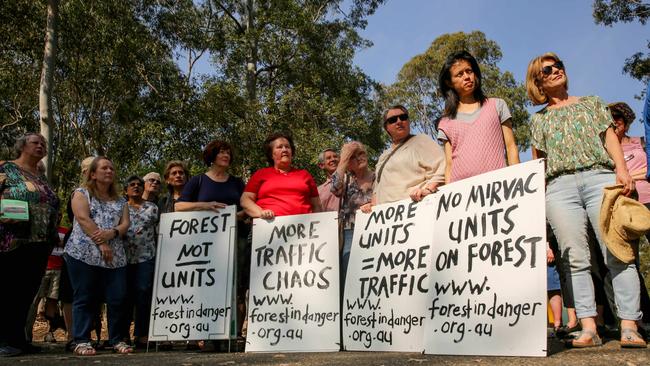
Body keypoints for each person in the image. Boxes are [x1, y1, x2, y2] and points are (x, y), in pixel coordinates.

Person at [526, 52, 644, 348]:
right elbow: (538, 162)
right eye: (547, 70)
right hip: (559, 188)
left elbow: (609, 138)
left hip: (600, 179)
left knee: (616, 250)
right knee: (575, 259)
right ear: (537, 81)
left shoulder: (592, 102)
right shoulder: (538, 120)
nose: (556, 72)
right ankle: (588, 327)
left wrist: (622, 169)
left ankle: (630, 324)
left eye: (558, 66)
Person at [175, 140, 247, 348]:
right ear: (211, 156)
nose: (226, 156)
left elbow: (246, 208)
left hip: (235, 240)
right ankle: (206, 333)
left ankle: (233, 335)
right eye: (221, 152)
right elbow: (178, 206)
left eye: (228, 152)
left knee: (236, 287)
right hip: (205, 244)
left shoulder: (237, 183)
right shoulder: (198, 181)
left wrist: (233, 215)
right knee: (208, 286)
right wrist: (205, 205)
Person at [64, 156, 133, 355]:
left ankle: (116, 339)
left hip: (115, 257)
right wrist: (102, 243)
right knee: (85, 296)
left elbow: (125, 224)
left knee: (117, 297)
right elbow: (83, 219)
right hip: (83, 254)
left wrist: (112, 233)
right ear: (92, 174)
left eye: (112, 168)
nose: (109, 171)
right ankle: (82, 340)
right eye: (104, 168)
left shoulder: (121, 201)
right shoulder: (81, 193)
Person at [0, 133, 60, 357]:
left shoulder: (40, 176)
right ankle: (3, 340)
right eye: (35, 142)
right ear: (21, 146)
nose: (41, 145)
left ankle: (18, 339)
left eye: (43, 143)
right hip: (11, 241)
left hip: (40, 242)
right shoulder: (6, 168)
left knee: (26, 292)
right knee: (7, 290)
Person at [437, 51, 519, 183]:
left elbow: (511, 147)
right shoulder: (445, 123)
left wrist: (517, 180)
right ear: (449, 82)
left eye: (469, 71)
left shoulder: (497, 105)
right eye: (459, 74)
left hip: (499, 188)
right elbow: (449, 164)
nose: (467, 77)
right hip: (462, 193)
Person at [369, 105, 445, 206]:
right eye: (393, 120)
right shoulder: (384, 155)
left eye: (403, 117)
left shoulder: (421, 141)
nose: (399, 121)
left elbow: (444, 166)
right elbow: (378, 186)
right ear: (386, 128)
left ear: (408, 121)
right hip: (386, 216)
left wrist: (428, 189)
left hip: (412, 210)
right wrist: (373, 204)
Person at [241, 132, 322, 219]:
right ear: (271, 154)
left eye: (287, 147)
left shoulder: (304, 174)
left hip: (304, 228)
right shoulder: (261, 174)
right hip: (269, 227)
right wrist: (260, 212)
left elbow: (317, 205)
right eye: (279, 147)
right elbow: (245, 200)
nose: (284, 150)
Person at [330, 141, 374, 288]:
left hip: (376, 229)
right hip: (350, 231)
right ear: (348, 163)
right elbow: (334, 188)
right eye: (353, 156)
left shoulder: (378, 176)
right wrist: (343, 158)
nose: (359, 158)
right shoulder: (346, 180)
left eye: (361, 154)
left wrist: (374, 205)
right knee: (349, 270)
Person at [122, 175, 158, 348]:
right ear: (125, 190)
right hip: (123, 258)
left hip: (147, 256)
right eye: (132, 185)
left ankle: (142, 334)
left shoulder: (152, 208)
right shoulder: (120, 207)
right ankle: (123, 335)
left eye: (139, 184)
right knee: (125, 295)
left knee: (144, 292)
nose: (136, 187)